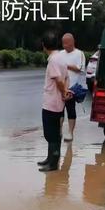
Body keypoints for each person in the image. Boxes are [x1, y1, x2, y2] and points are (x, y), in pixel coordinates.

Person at [38, 32, 70, 172]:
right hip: (57, 103)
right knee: (53, 134)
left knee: (51, 135)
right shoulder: (61, 57)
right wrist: (66, 92)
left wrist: (63, 92)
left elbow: (58, 80)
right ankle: (50, 159)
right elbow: (66, 78)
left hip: (52, 104)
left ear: (44, 45)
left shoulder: (53, 60)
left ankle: (53, 164)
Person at [60, 33, 87, 142]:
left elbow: (80, 69)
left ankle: (70, 132)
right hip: (60, 87)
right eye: (63, 43)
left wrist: (65, 65)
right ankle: (59, 131)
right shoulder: (60, 54)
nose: (64, 45)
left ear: (72, 42)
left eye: (66, 43)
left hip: (72, 88)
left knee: (70, 110)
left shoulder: (79, 54)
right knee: (59, 111)